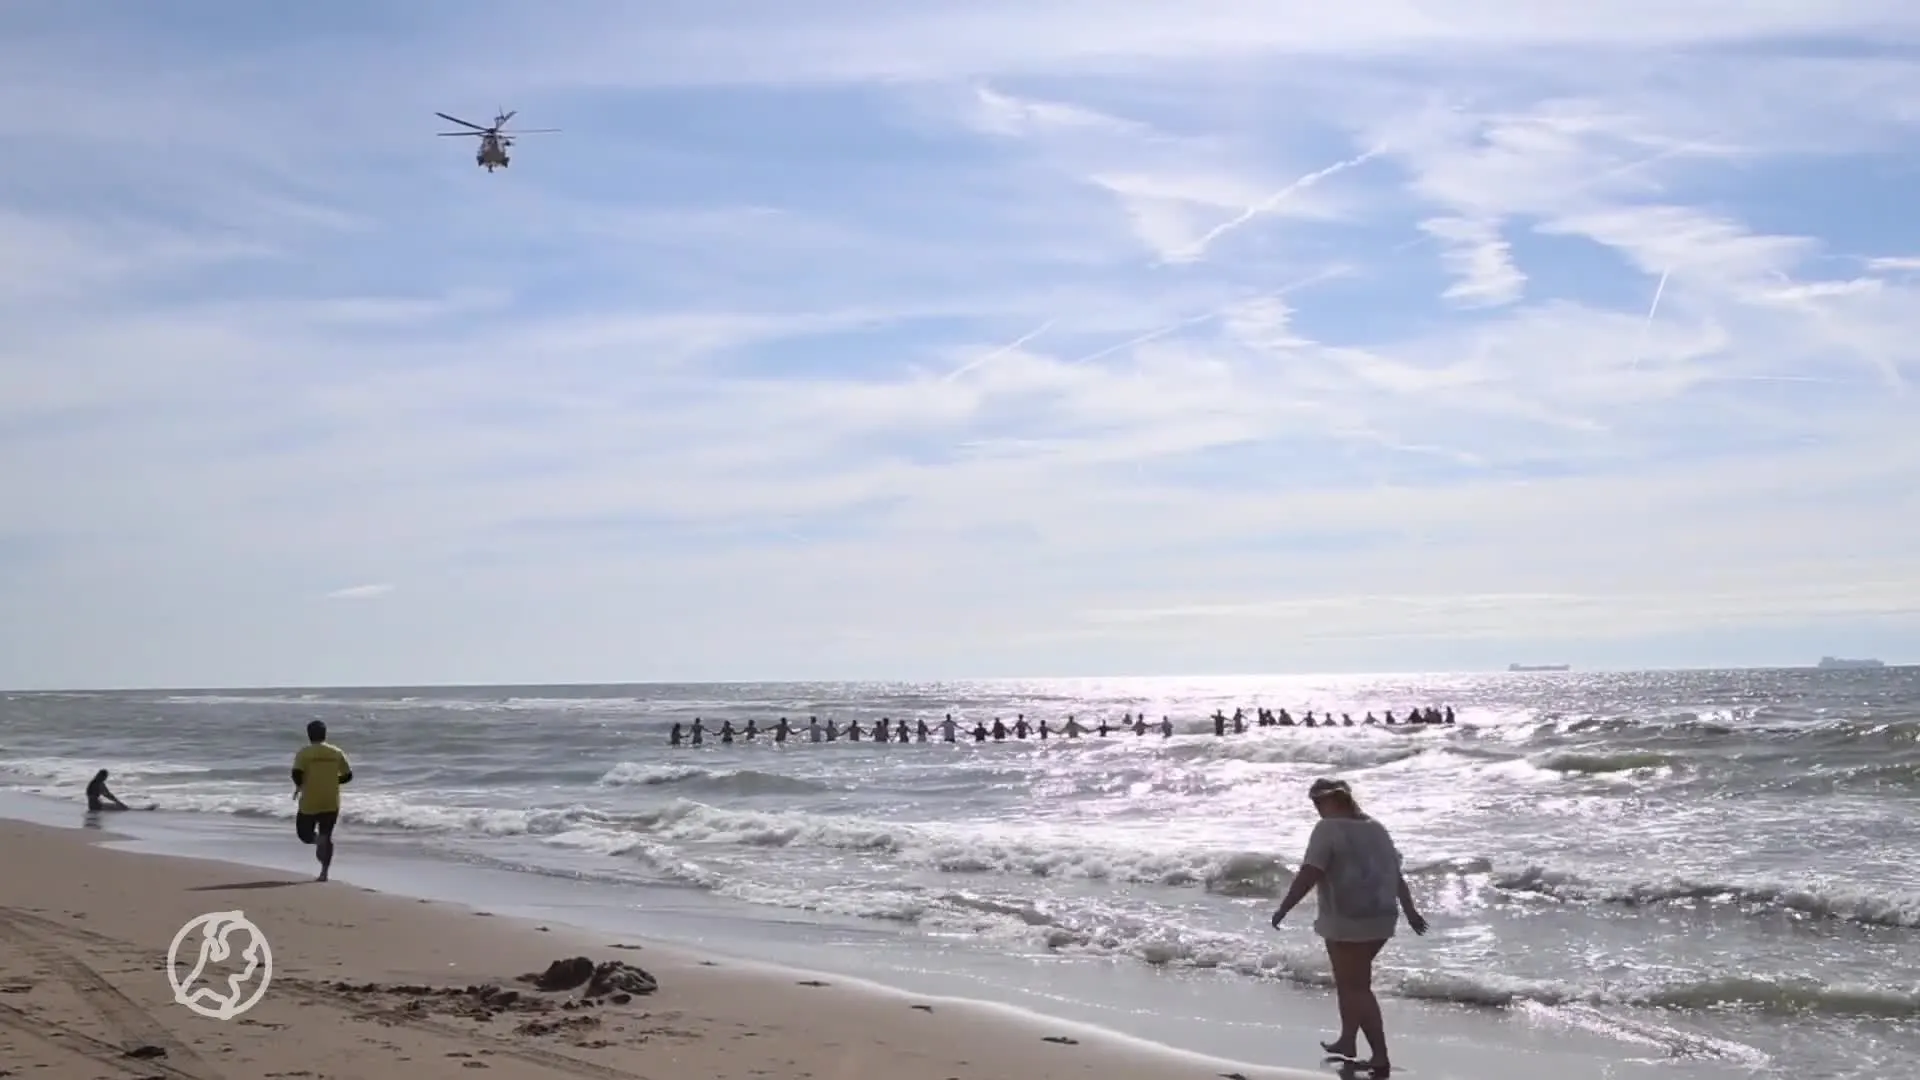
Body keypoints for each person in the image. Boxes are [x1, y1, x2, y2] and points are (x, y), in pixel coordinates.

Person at [1270, 778, 1427, 1075]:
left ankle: (1380, 1056)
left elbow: (1310, 873)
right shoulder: (1376, 828)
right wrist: (1410, 912)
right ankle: (1348, 1041)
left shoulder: (1328, 829)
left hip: (1347, 921)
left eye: (1319, 802)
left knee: (1356, 988)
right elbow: (1395, 874)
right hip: (1381, 919)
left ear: (1335, 801)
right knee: (1350, 984)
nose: (1316, 808)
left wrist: (1284, 908)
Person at [291, 720, 354, 882]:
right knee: (327, 835)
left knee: (304, 834)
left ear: (309, 734)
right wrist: (332, 781)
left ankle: (317, 840)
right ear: (325, 734)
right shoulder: (336, 752)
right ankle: (324, 872)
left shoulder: (304, 753)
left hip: (310, 800)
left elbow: (296, 774)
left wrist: (300, 785)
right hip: (331, 801)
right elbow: (348, 775)